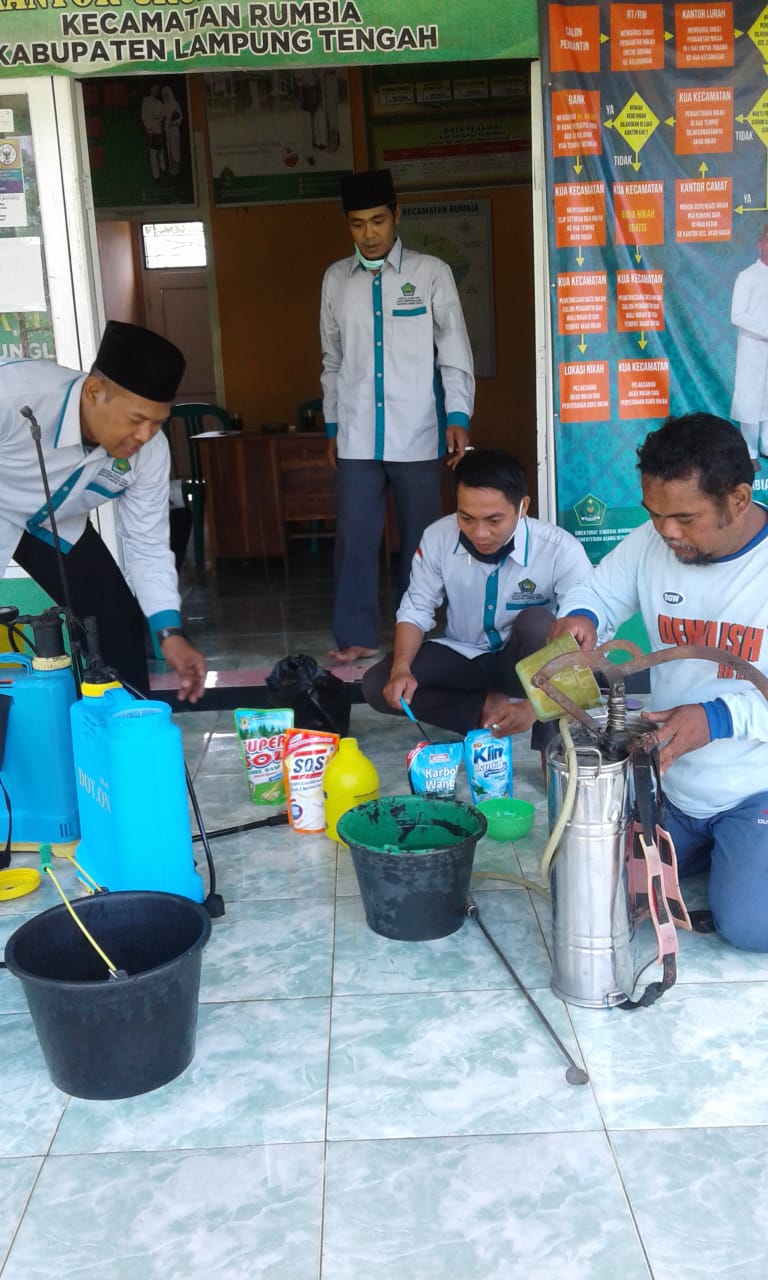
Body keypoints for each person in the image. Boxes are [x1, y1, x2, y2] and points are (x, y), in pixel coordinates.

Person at [549, 412, 768, 952]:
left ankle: (738, 850)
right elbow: (597, 592)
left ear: (739, 499)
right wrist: (581, 617)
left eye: (685, 518)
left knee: (751, 925)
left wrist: (717, 718)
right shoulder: (653, 542)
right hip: (670, 779)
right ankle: (722, 853)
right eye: (654, 514)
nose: (667, 531)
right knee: (592, 889)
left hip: (754, 784)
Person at [0, 320, 206, 702]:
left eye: (157, 422)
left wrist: (170, 634)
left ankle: (127, 726)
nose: (145, 435)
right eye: (136, 420)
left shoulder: (150, 451)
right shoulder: (13, 393)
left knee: (116, 624)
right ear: (94, 392)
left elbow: (147, 545)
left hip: (54, 524)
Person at [320, 167, 475, 664]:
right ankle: (357, 634)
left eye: (378, 220)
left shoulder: (431, 274)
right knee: (355, 538)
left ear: (396, 216)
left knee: (424, 541)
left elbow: (454, 348)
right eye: (357, 223)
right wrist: (332, 425)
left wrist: (458, 413)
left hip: (420, 431)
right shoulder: (336, 280)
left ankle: (422, 634)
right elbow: (332, 360)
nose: (369, 233)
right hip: (357, 434)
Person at [361, 449, 592, 749]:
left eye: (494, 520)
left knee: (540, 623)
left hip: (525, 667)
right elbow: (416, 608)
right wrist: (401, 668)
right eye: (466, 518)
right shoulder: (437, 538)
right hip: (464, 657)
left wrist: (536, 708)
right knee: (379, 684)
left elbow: (588, 637)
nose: (480, 533)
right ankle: (484, 708)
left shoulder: (559, 549)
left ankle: (552, 753)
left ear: (523, 507)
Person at [730, 223, 768, 469]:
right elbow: (737, 315)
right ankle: (750, 451)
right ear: (759, 245)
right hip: (753, 347)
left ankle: (766, 445)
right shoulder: (747, 276)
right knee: (751, 400)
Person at [141, 83, 166, 180]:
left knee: (161, 150)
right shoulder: (146, 100)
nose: (156, 90)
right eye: (154, 88)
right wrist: (148, 127)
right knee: (153, 153)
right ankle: (156, 175)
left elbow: (163, 115)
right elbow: (144, 115)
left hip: (159, 128)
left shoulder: (160, 102)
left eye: (157, 88)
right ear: (151, 89)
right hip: (152, 130)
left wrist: (159, 118)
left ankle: (163, 168)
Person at [161, 85, 184, 178]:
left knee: (175, 148)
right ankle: (171, 169)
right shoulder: (164, 106)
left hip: (174, 129)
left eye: (167, 94)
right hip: (167, 130)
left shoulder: (175, 104)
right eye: (164, 95)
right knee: (169, 149)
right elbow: (163, 117)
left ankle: (177, 167)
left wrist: (175, 121)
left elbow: (181, 116)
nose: (166, 96)